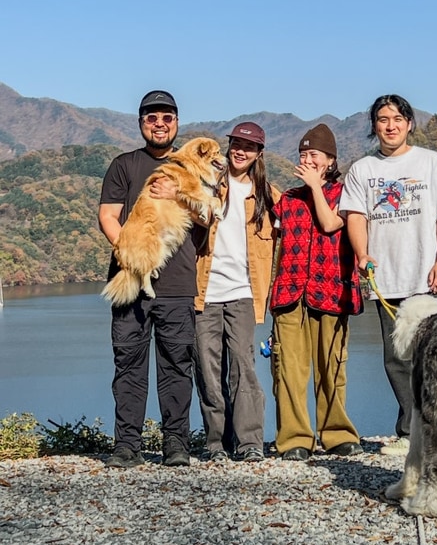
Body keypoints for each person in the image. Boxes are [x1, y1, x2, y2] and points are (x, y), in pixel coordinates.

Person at [339, 94, 437, 455]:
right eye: (382, 119)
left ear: (409, 123)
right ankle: (411, 434)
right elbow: (356, 216)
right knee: (397, 359)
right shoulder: (363, 170)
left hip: (429, 278)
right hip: (387, 279)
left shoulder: (430, 162)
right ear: (374, 126)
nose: (390, 125)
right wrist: (362, 254)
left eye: (397, 118)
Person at [98, 90, 201, 468]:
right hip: (130, 279)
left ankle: (176, 444)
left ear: (176, 122)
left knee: (177, 364)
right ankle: (127, 445)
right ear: (141, 123)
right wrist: (127, 249)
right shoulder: (124, 165)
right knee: (128, 363)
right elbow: (109, 215)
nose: (159, 124)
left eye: (167, 117)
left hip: (176, 284)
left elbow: (208, 218)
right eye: (151, 117)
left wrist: (179, 192)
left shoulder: (191, 167)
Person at [269, 124, 363, 461]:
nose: (307, 160)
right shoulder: (289, 200)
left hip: (331, 290)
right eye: (303, 154)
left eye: (314, 155)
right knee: (289, 370)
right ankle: (294, 438)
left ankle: (336, 434)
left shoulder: (346, 195)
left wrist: (315, 188)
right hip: (289, 292)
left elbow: (329, 223)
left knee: (332, 366)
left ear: (330, 161)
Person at [193, 121, 280, 462]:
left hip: (244, 292)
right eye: (236, 144)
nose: (241, 151)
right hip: (205, 291)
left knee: (244, 366)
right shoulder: (207, 185)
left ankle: (250, 443)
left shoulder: (268, 195)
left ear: (259, 153)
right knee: (208, 369)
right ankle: (216, 443)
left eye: (249, 146)